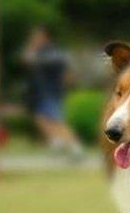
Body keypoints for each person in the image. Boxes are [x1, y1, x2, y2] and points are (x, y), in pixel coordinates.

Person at [22, 26, 84, 159]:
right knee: (41, 118)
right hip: (40, 93)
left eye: (37, 37)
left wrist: (63, 88)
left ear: (45, 37)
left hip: (50, 93)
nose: (34, 39)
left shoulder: (50, 54)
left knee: (57, 121)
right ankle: (57, 142)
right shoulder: (42, 53)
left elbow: (28, 59)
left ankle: (75, 147)